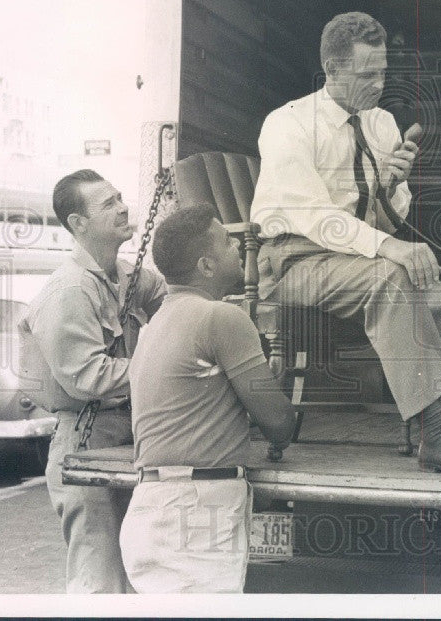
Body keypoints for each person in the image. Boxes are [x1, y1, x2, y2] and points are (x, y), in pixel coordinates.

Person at [250, 11, 441, 477]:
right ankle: (438, 435)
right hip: (294, 262)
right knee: (393, 275)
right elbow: (317, 218)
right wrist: (392, 249)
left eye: (383, 72)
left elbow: (387, 223)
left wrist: (391, 187)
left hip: (355, 262)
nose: (378, 83)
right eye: (366, 73)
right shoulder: (287, 124)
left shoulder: (382, 124)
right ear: (331, 70)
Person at [119, 204, 296, 593]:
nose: (239, 247)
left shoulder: (154, 326)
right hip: (195, 512)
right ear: (206, 266)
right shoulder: (221, 317)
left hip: (151, 507)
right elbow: (280, 424)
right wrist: (271, 388)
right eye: (228, 241)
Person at [18, 169, 167, 593]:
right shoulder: (69, 290)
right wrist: (170, 370)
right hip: (85, 441)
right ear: (78, 225)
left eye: (120, 197)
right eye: (108, 204)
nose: (122, 207)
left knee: (139, 576)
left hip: (130, 436)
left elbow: (177, 303)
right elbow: (88, 377)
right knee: (99, 582)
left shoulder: (128, 276)